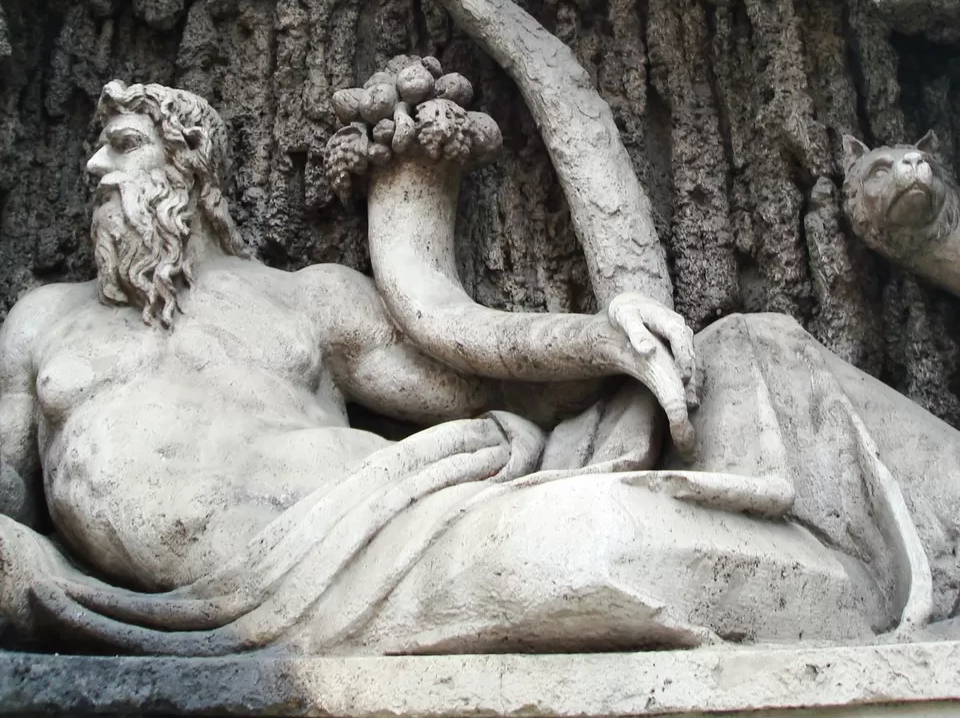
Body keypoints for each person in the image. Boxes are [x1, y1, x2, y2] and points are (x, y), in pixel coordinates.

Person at [0, 80, 958, 655]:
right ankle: (860, 591)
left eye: (123, 146)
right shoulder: (43, 320)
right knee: (598, 547)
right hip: (253, 601)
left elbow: (479, 377)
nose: (95, 169)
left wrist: (604, 337)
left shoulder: (304, 298)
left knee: (749, 347)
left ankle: (915, 569)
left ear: (191, 169)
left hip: (406, 519)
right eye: (97, 150)